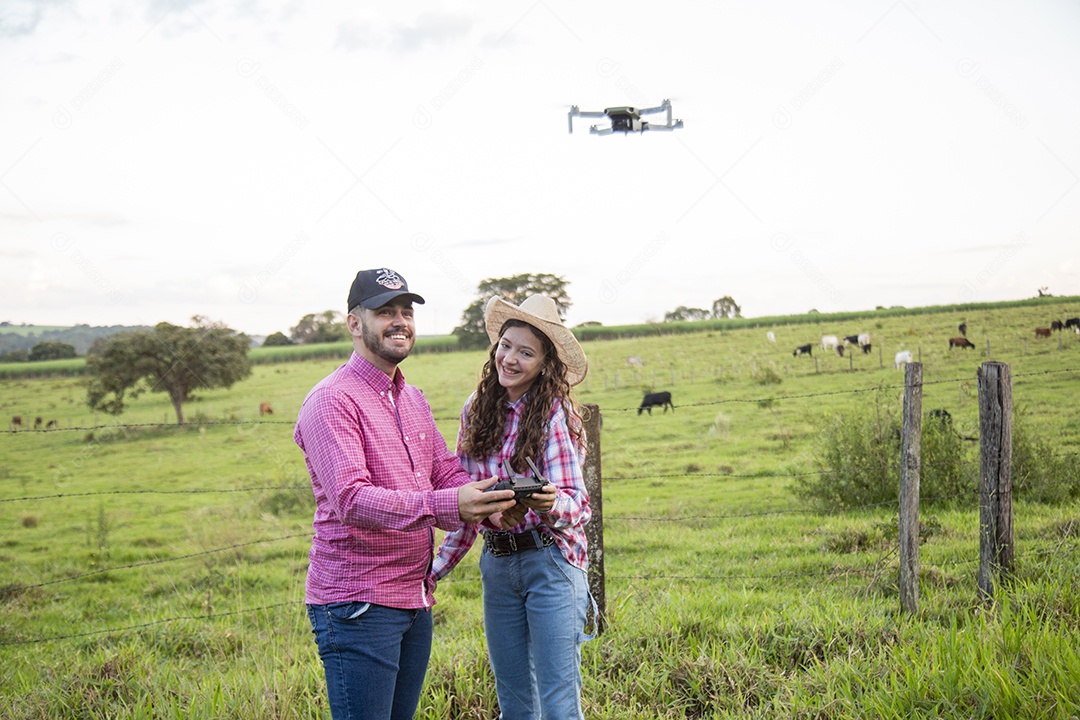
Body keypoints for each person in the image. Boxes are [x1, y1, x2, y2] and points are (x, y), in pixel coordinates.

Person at [295, 267, 518, 720]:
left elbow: (444, 471)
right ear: (355, 325)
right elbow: (352, 500)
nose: (400, 321)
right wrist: (449, 506)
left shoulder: (411, 397)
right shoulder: (331, 400)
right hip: (359, 603)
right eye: (384, 312)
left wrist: (490, 506)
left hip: (414, 596)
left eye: (405, 312)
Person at [433, 294, 594, 720]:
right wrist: (434, 572)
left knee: (560, 705)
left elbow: (579, 506)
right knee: (516, 704)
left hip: (551, 562)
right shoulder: (476, 408)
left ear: (544, 364)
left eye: (526, 352)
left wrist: (548, 502)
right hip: (499, 565)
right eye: (506, 345)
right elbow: (468, 501)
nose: (510, 358)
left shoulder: (554, 413)